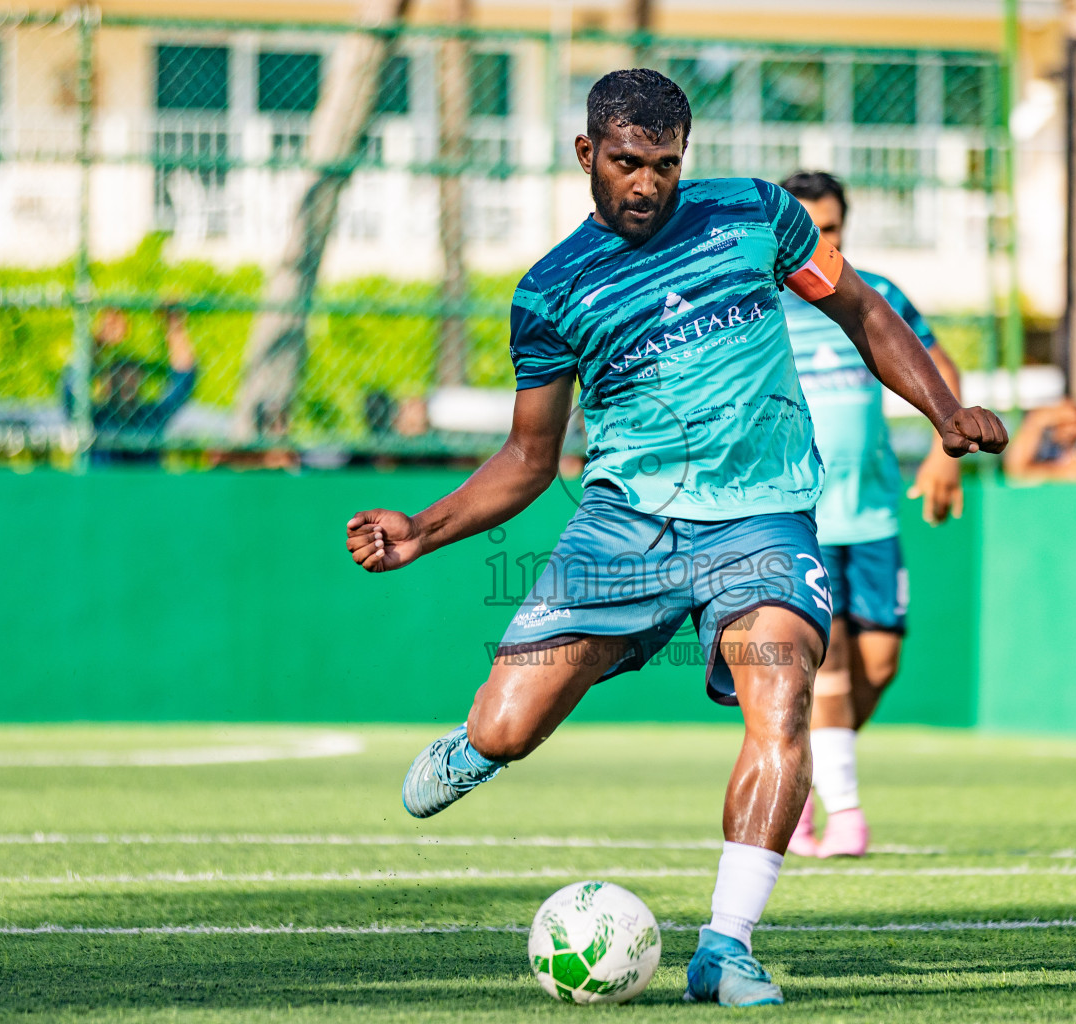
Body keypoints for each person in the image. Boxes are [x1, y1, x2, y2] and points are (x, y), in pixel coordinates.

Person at [344, 70, 1007, 1007]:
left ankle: (726, 946)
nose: (646, 183)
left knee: (783, 700)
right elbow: (531, 459)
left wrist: (945, 409)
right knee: (509, 723)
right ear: (587, 155)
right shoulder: (550, 291)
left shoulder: (757, 216)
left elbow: (860, 310)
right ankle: (480, 742)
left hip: (763, 516)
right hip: (625, 529)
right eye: (626, 163)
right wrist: (423, 529)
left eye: (663, 164)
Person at [778, 171, 967, 860]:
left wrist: (947, 452)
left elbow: (938, 365)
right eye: (807, 228)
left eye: (830, 229)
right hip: (800, 519)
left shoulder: (874, 294)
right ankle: (846, 815)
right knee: (823, 671)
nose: (818, 241)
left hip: (874, 515)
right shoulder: (760, 302)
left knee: (879, 666)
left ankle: (794, 774)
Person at [63, 305, 197, 465]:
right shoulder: (96, 417)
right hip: (101, 488)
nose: (127, 380)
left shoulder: (151, 416)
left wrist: (174, 328)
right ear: (107, 383)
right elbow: (72, 387)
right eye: (119, 373)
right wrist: (99, 340)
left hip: (144, 488)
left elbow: (184, 380)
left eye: (132, 374)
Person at [1003, 397, 1076, 483]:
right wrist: (1035, 423)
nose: (1069, 429)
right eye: (1060, 423)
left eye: (1075, 422)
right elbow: (1015, 470)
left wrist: (1038, 472)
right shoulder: (1053, 448)